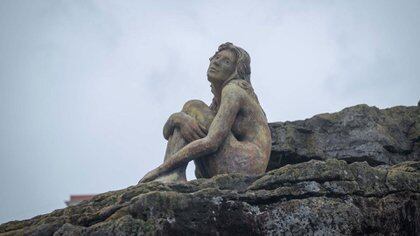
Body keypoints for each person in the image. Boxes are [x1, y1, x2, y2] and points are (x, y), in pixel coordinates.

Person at [139, 42, 271, 183]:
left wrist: (160, 169)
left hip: (243, 165)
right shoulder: (217, 104)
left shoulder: (233, 91)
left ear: (236, 71)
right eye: (216, 57)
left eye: (226, 61)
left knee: (193, 106)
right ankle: (173, 174)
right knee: (185, 116)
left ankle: (172, 174)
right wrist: (176, 119)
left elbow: (212, 142)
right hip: (235, 163)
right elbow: (166, 133)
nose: (216, 63)